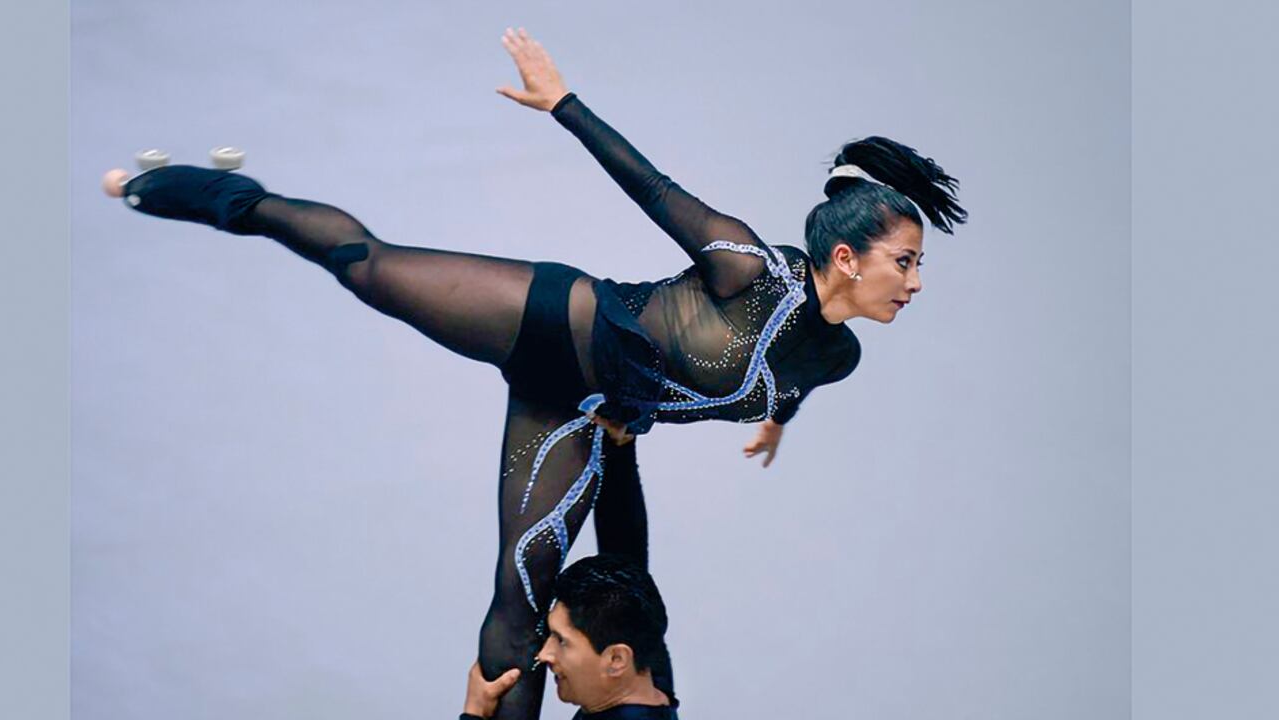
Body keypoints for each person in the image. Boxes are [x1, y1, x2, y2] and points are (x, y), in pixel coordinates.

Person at [101, 26, 965, 720]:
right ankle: (218, 197)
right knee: (369, 269)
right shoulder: (747, 267)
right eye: (907, 263)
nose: (918, 284)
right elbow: (652, 185)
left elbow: (797, 377)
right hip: (561, 323)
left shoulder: (838, 357)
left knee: (520, 609)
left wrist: (778, 419)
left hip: (584, 413)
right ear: (848, 258)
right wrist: (562, 102)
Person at [461, 555, 677, 719]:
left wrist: (474, 712)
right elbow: (623, 530)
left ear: (616, 659)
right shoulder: (650, 677)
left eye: (562, 641)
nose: (544, 654)